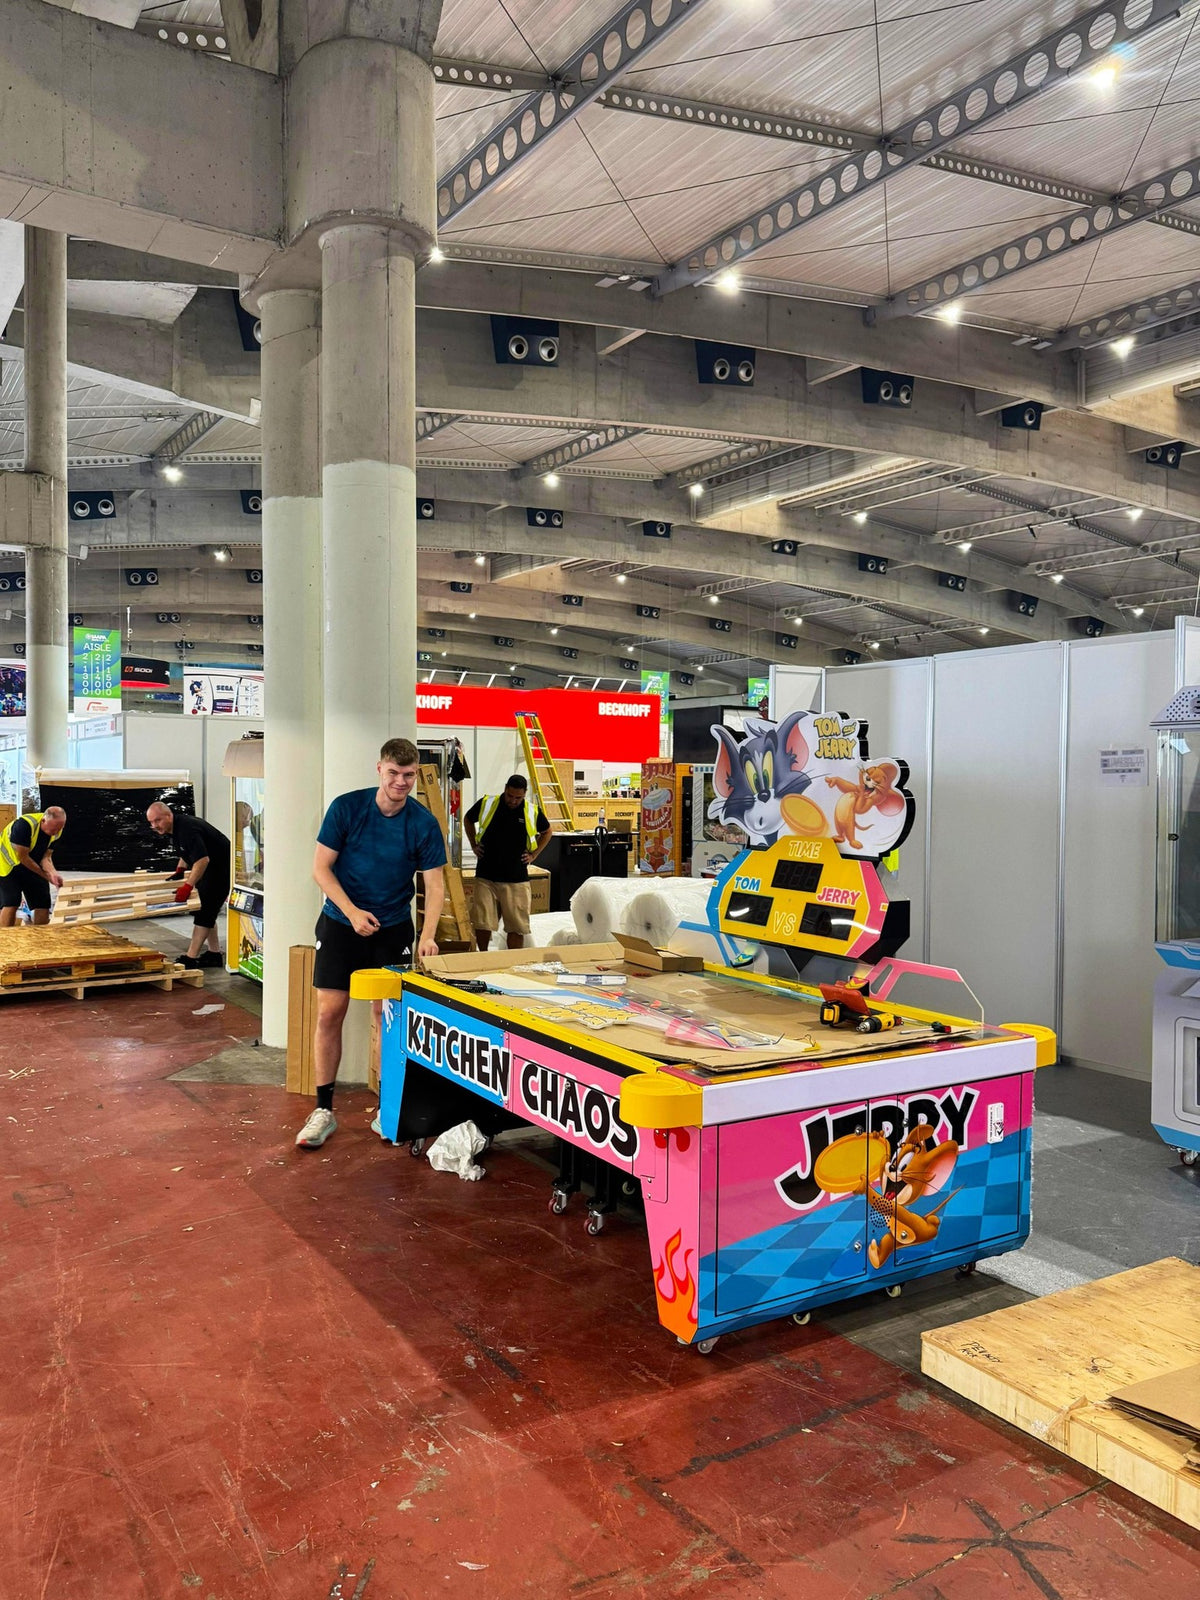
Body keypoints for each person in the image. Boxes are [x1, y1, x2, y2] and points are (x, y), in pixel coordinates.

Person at [296, 736, 446, 1150]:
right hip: (341, 923)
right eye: (394, 773)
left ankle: (389, 1108)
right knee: (331, 1011)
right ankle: (323, 1109)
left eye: (409, 775)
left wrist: (428, 934)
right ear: (379, 769)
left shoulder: (422, 823)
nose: (401, 782)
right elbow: (321, 869)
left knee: (387, 1017)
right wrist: (350, 912)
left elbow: (434, 886)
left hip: (394, 928)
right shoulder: (347, 808)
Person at [464, 774, 552, 952]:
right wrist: (473, 844)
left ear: (524, 794)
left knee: (517, 926)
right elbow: (468, 819)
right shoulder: (488, 803)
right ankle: (483, 955)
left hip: (516, 878)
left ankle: (513, 960)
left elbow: (547, 832)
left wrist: (534, 855)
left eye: (518, 798)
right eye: (510, 796)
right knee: (482, 922)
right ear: (505, 789)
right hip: (486, 875)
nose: (513, 801)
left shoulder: (531, 811)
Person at [146, 801, 231, 969]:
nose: (154, 826)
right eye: (151, 822)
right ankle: (214, 954)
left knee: (204, 914)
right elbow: (188, 851)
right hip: (210, 868)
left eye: (157, 821)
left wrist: (188, 886)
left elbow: (202, 859)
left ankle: (190, 958)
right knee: (205, 910)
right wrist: (180, 868)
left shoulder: (186, 829)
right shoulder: (175, 828)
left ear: (169, 816)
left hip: (221, 870)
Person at [0, 806, 67, 927]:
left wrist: (53, 873)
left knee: (42, 902)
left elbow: (46, 857)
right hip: (8, 865)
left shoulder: (57, 831)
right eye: (53, 829)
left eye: (59, 828)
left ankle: (40, 939)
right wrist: (46, 876)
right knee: (11, 902)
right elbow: (23, 858)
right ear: (43, 821)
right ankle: (4, 938)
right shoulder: (24, 826)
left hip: (32, 863)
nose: (56, 832)